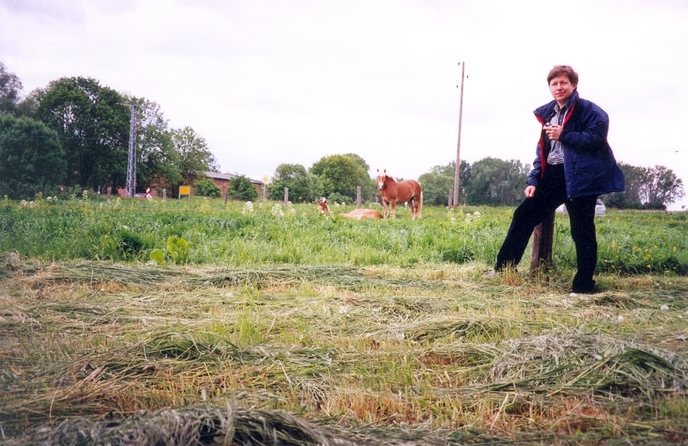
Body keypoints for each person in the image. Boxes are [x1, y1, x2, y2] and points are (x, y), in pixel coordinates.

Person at [489, 65, 624, 294]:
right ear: (550, 87)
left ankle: (583, 286)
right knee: (523, 216)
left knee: (582, 230)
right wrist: (533, 180)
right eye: (554, 84)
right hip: (552, 175)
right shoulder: (549, 113)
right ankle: (503, 270)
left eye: (564, 83)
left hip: (581, 177)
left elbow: (596, 139)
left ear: (573, 85)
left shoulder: (590, 111)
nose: (559, 87)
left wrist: (565, 135)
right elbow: (543, 151)